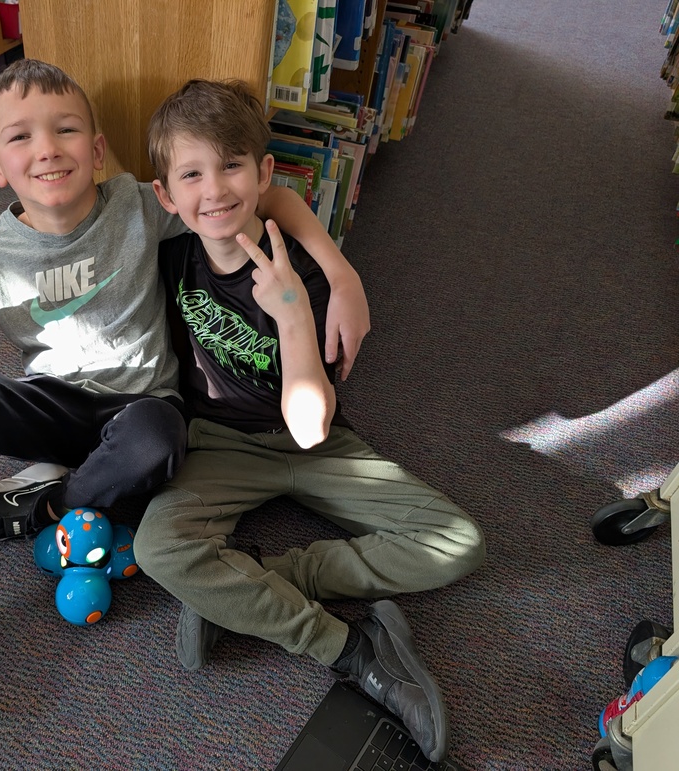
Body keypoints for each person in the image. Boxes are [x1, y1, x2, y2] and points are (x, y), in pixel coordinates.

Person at [0, 59, 370, 757]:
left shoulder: (138, 202)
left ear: (96, 151)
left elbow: (266, 197)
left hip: (140, 410)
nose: (46, 149)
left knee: (160, 433)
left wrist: (340, 273)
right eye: (21, 137)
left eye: (64, 130)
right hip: (54, 408)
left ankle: (44, 506)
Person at [128, 79, 486, 763]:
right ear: (166, 196)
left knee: (459, 541)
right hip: (219, 442)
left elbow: (312, 429)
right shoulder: (172, 253)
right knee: (159, 548)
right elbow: (77, 224)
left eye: (232, 166)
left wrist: (295, 313)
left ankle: (264, 578)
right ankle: (351, 649)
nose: (215, 190)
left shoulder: (305, 276)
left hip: (317, 441)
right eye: (192, 175)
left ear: (263, 172)